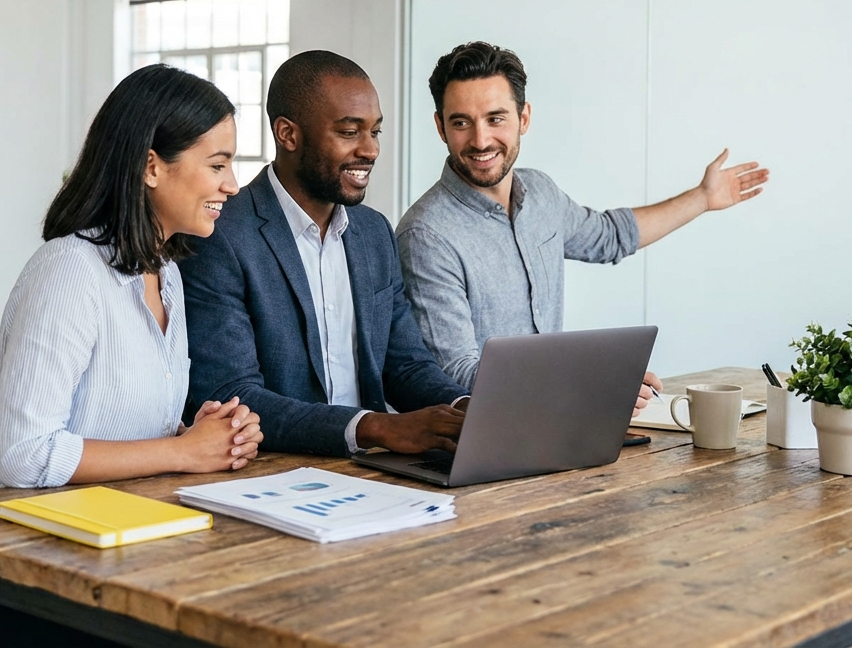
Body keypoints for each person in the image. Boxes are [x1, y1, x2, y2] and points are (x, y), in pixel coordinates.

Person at [0, 65, 263, 648]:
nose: (233, 185)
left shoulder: (166, 273)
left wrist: (200, 434)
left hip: (118, 540)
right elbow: (23, 455)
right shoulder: (69, 271)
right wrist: (180, 452)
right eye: (219, 164)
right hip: (26, 570)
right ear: (152, 166)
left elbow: (119, 425)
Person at [397, 41, 769, 395]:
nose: (481, 140)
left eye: (496, 118)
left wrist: (702, 197)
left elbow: (610, 236)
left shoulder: (540, 193)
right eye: (461, 123)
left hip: (554, 422)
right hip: (476, 439)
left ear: (523, 117)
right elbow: (459, 373)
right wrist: (596, 381)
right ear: (440, 126)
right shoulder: (426, 234)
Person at [179, 50, 469, 458]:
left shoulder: (373, 233)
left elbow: (405, 366)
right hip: (275, 471)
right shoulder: (220, 236)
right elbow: (232, 395)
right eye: (350, 132)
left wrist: (467, 409)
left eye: (375, 132)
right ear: (288, 134)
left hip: (372, 468)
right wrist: (374, 428)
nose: (370, 150)